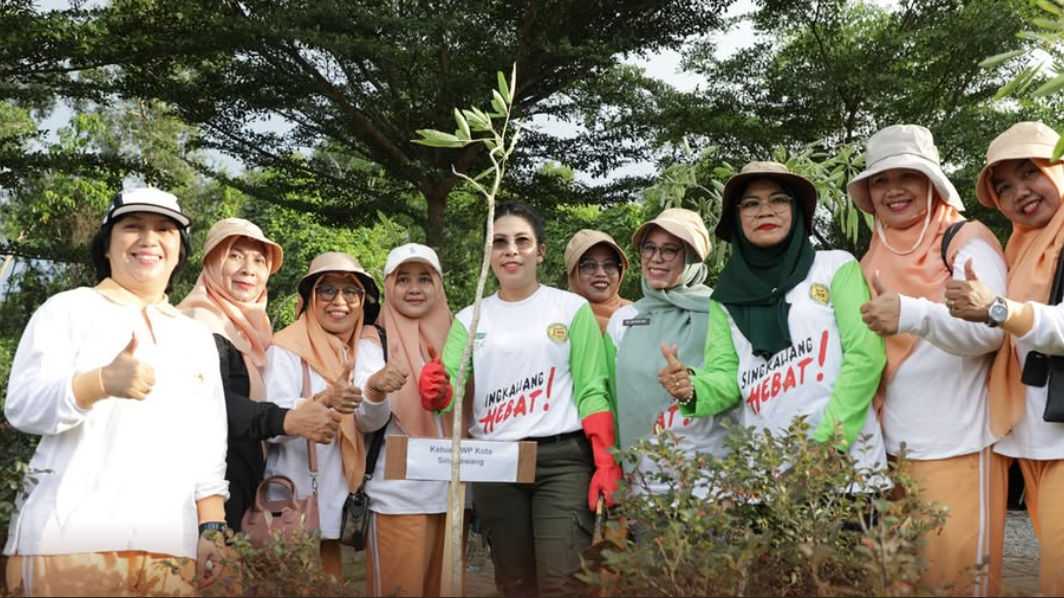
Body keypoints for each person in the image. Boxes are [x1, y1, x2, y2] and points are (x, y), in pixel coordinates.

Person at [3, 188, 228, 596]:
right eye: (133, 227)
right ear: (107, 245)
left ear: (179, 252)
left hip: (170, 549)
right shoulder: (67, 309)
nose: (149, 239)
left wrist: (211, 525)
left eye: (165, 230)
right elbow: (22, 406)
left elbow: (208, 443)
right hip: (68, 541)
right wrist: (99, 382)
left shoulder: (196, 337)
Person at [418, 202, 620, 597]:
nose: (511, 250)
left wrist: (606, 461)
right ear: (489, 254)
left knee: (563, 580)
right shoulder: (470, 317)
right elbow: (447, 397)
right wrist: (437, 390)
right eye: (500, 242)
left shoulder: (571, 308)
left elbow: (593, 390)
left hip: (562, 460)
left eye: (522, 241)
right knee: (513, 582)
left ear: (540, 252)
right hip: (496, 462)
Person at [658, 162, 888, 485]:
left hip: (844, 468)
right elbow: (727, 377)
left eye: (778, 200)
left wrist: (829, 445)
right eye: (751, 203)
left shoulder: (835, 267)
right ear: (737, 218)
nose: (765, 211)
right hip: (768, 476)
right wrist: (691, 388)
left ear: (796, 211)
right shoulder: (725, 298)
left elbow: (865, 357)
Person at [851, 124, 1006, 595]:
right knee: (901, 584)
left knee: (958, 583)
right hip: (892, 455)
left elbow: (990, 331)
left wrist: (912, 313)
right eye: (880, 180)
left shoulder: (966, 241)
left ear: (932, 184)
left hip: (957, 445)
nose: (893, 190)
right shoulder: (869, 261)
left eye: (907, 176)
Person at [944, 121, 1064, 596]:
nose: (1019, 192)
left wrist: (997, 307)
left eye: (1029, 173)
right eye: (1004, 186)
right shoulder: (1021, 247)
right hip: (1036, 438)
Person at [177, 218, 341, 532]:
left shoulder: (254, 330)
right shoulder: (195, 323)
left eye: (259, 260)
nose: (249, 269)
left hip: (240, 485)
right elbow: (210, 403)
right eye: (235, 255)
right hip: (200, 493)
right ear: (212, 261)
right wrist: (285, 419)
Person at [263, 252, 406, 580]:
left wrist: (375, 391)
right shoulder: (286, 348)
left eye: (350, 291)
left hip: (333, 501)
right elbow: (272, 424)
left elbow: (367, 423)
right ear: (310, 297)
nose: (339, 301)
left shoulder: (361, 350)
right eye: (327, 290)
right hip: (291, 504)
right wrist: (323, 400)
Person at [604, 208, 735, 497]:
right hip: (643, 484)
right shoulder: (623, 319)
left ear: (691, 257)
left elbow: (735, 383)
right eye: (649, 248)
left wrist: (693, 386)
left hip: (712, 484)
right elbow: (611, 400)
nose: (656, 258)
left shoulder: (723, 311)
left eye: (669, 250)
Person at [364, 243, 454, 597]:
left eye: (424, 279)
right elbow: (364, 421)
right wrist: (377, 389)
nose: (414, 288)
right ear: (388, 286)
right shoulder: (373, 340)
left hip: (451, 498)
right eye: (403, 279)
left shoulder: (459, 336)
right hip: (397, 499)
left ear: (438, 285)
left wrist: (450, 393)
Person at [564, 230, 632, 333]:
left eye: (609, 265)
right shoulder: (559, 318)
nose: (601, 273)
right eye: (590, 265)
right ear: (573, 272)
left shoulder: (636, 315)